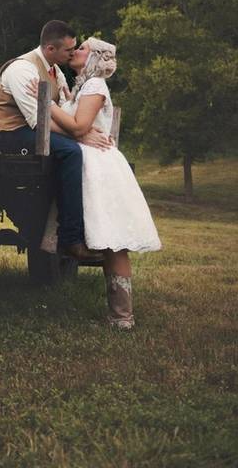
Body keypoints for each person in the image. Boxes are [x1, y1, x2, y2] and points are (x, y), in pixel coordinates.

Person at [45, 36, 162, 329]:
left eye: (82, 48)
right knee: (108, 241)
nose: (75, 51)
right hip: (87, 161)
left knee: (113, 242)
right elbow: (72, 129)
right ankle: (120, 316)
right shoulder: (82, 86)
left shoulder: (95, 85)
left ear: (95, 57)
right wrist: (76, 129)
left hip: (99, 167)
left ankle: (122, 316)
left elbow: (78, 126)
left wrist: (46, 103)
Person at [0, 21, 110, 260]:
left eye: (76, 49)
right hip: (12, 133)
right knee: (72, 152)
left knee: (78, 151)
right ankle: (71, 239)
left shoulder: (56, 71)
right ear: (50, 49)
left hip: (39, 130)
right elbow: (37, 120)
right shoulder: (22, 69)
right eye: (68, 50)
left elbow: (63, 109)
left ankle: (85, 230)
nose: (73, 53)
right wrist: (80, 134)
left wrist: (80, 128)